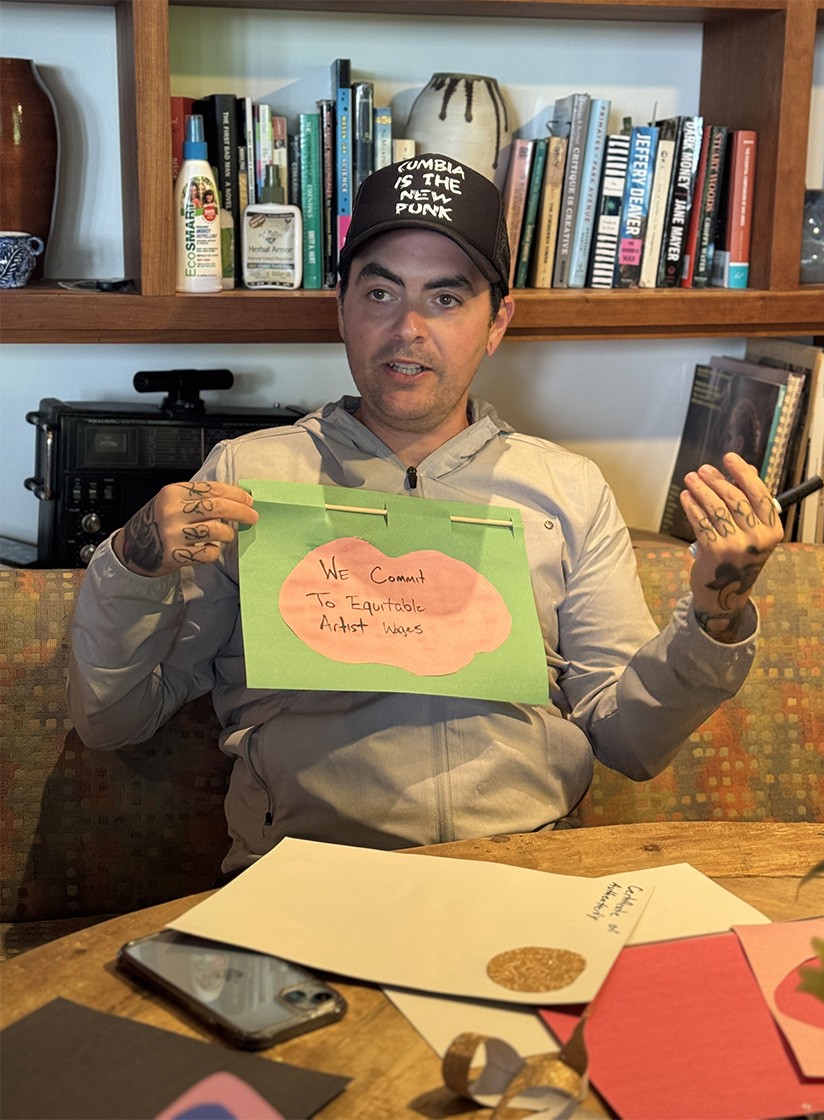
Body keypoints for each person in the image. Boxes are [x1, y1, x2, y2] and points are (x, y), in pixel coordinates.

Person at [68, 155, 784, 875]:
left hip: (523, 875)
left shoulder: (568, 490)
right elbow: (111, 720)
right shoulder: (247, 478)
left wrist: (715, 615)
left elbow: (629, 741)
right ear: (340, 305)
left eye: (446, 299)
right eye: (381, 292)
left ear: (497, 322)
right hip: (307, 881)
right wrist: (131, 561)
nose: (409, 328)